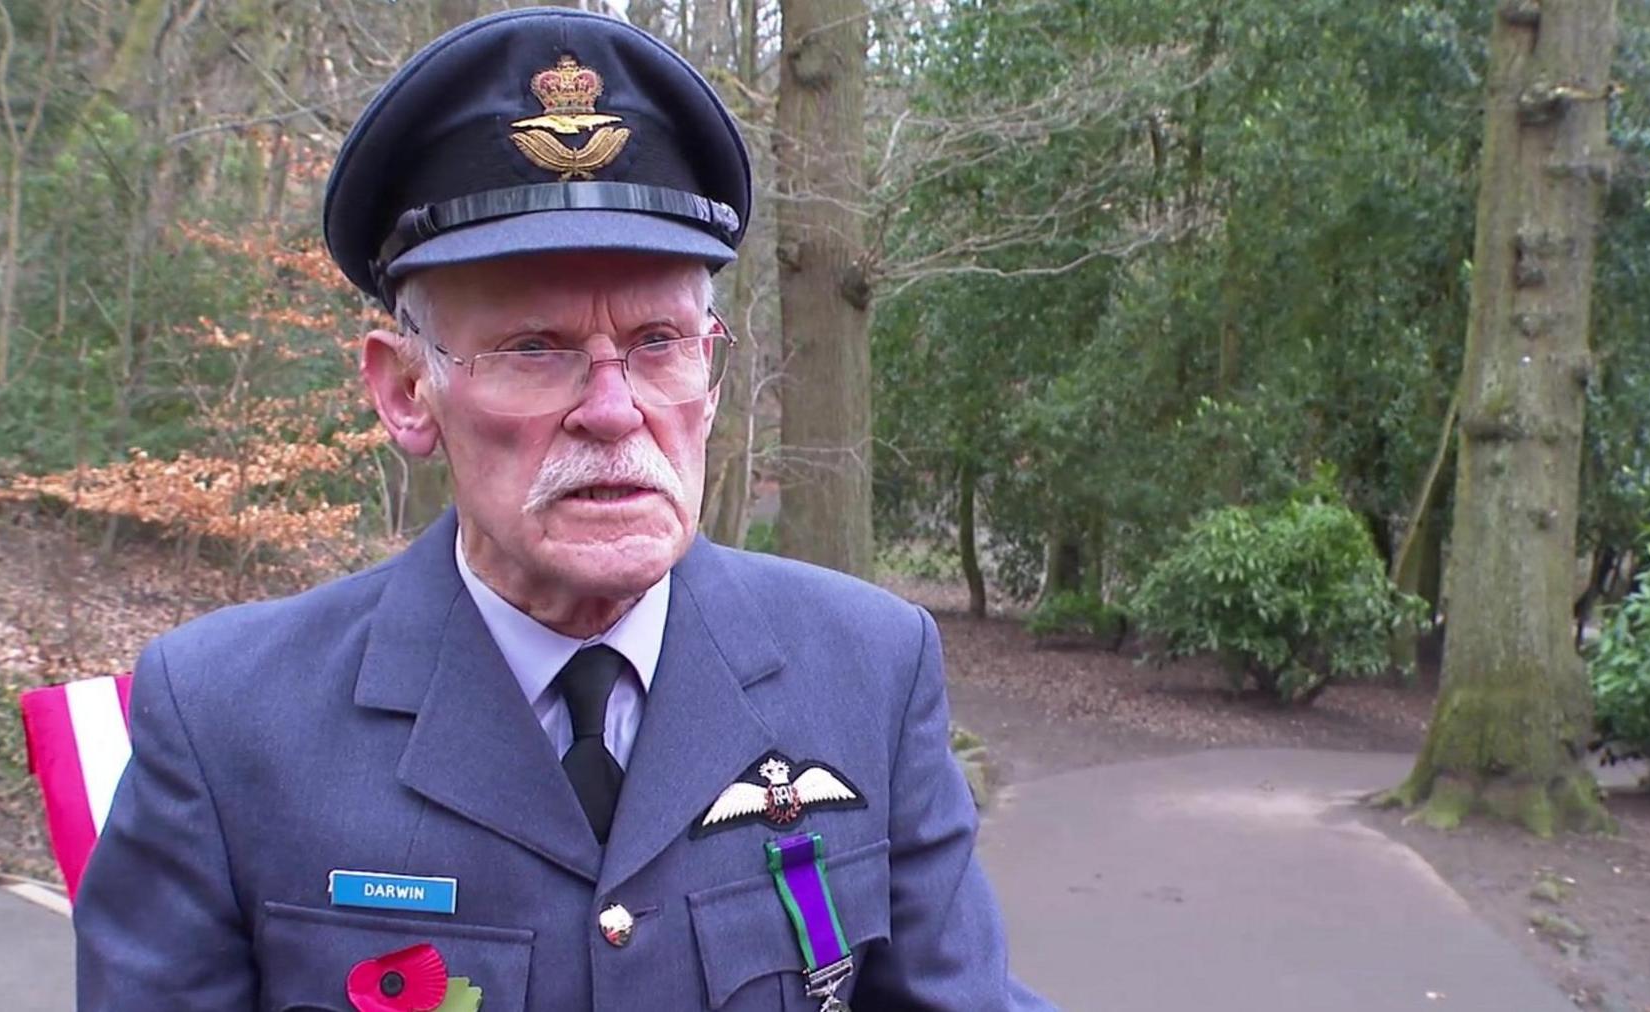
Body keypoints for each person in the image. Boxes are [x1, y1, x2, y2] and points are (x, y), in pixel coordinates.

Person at [74, 8, 1051, 1011]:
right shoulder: (230, 721)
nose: (613, 410)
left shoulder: (869, 669)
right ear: (407, 392)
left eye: (660, 342)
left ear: (711, 378)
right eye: (534, 348)